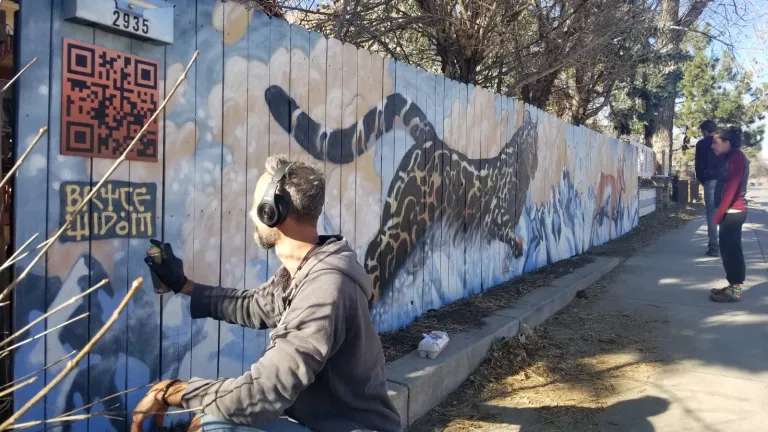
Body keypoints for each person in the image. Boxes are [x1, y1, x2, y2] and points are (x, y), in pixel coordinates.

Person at [131, 155, 401, 432]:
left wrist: (174, 392)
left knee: (215, 427)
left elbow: (262, 394)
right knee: (214, 418)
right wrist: (184, 285)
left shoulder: (325, 289)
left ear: (271, 212)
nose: (252, 214)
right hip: (326, 423)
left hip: (353, 428)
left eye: (256, 206)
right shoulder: (307, 268)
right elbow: (255, 305)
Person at [709, 127, 749, 303]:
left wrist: (719, 213)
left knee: (732, 251)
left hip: (733, 211)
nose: (712, 146)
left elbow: (731, 188)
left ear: (727, 142)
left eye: (715, 142)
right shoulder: (731, 157)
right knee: (727, 250)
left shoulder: (737, 158)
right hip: (730, 211)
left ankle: (735, 291)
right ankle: (733, 284)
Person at [694, 120, 725, 257]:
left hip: (711, 182)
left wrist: (704, 181)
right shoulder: (725, 142)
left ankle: (714, 247)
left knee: (712, 215)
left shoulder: (702, 144)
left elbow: (698, 166)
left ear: (705, 131)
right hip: (727, 182)